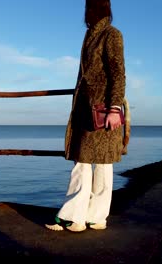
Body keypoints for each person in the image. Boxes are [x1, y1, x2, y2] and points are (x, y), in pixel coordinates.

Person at [45, 0, 127, 232]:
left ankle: (92, 217)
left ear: (95, 9)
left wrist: (114, 109)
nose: (85, 12)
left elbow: (118, 73)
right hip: (87, 109)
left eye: (88, 7)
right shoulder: (92, 34)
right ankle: (77, 217)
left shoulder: (111, 34)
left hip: (102, 110)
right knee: (83, 162)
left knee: (101, 164)